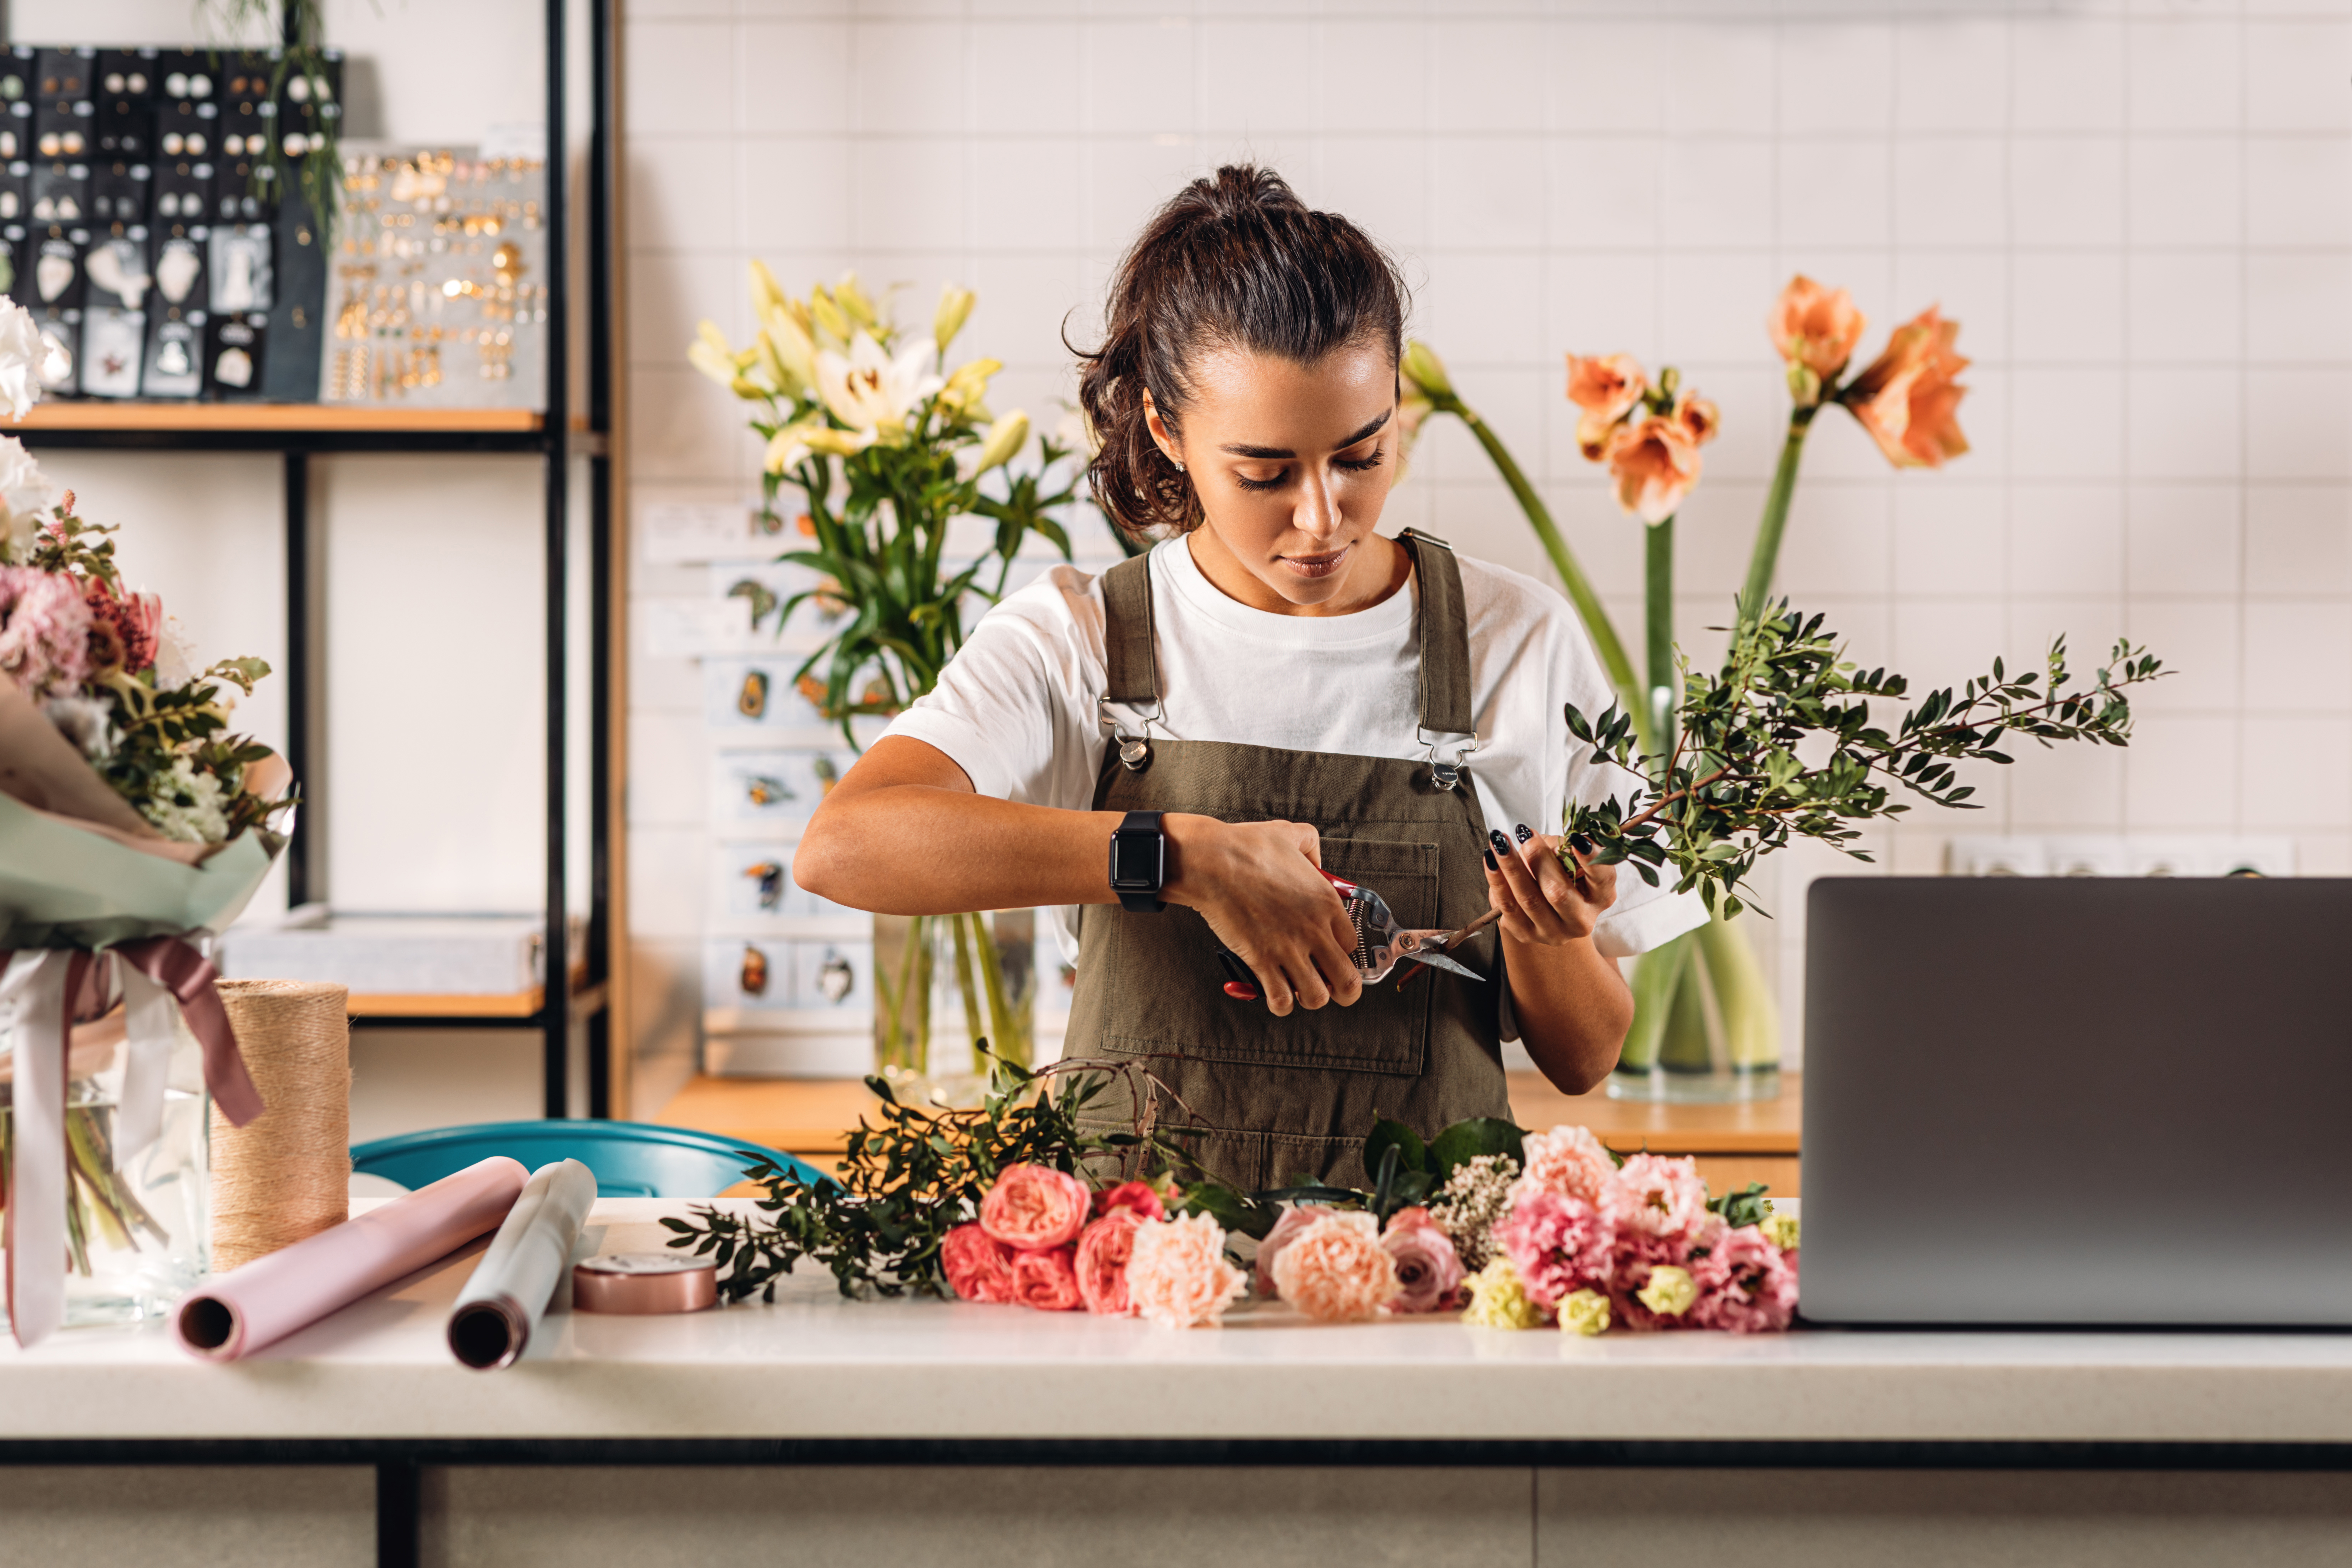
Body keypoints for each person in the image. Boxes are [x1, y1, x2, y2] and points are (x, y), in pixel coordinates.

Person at [795, 164, 1704, 1187]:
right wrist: (1187, 858)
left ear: (1398, 401)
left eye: (1362, 455)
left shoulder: (1513, 639)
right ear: (1167, 431)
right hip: (1138, 1297)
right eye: (1265, 473)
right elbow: (845, 846)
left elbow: (1585, 1059)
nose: (1321, 517)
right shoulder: (1083, 638)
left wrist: (1547, 938)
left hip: (1421, 1297)